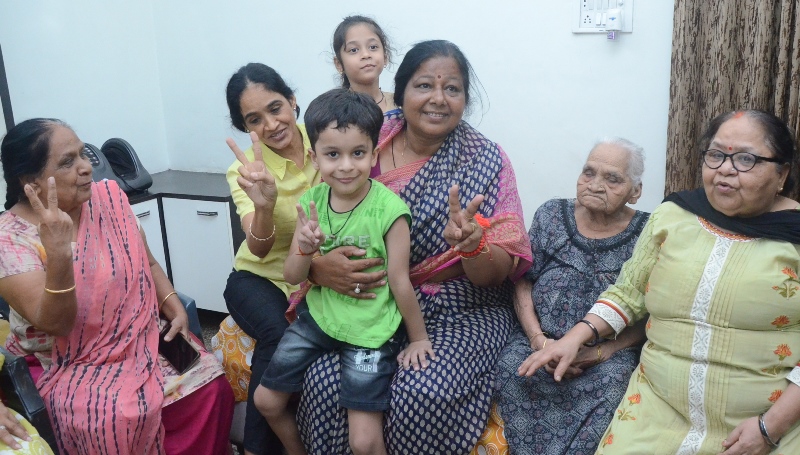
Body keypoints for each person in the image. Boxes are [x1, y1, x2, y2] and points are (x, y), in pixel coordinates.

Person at [297, 40, 533, 454]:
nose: (438, 99)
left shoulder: (485, 160)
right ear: (401, 92)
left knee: (421, 390)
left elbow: (496, 273)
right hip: (365, 300)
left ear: (465, 99)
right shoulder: (365, 139)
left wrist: (473, 246)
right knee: (323, 381)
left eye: (452, 89)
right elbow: (320, 223)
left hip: (461, 304)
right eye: (424, 85)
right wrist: (318, 268)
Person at [522, 109, 800, 455]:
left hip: (763, 424)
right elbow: (628, 292)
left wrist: (769, 429)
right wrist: (573, 338)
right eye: (716, 155)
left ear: (781, 173)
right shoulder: (674, 215)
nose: (725, 169)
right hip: (656, 410)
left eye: (746, 159)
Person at [0, 118, 233, 454]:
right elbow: (57, 324)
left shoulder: (106, 199)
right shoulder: (10, 239)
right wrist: (59, 253)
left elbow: (147, 262)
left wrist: (172, 302)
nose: (85, 167)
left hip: (137, 336)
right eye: (67, 162)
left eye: (83, 154)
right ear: (30, 181)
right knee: (118, 420)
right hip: (65, 360)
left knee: (212, 386)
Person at [255, 88, 434, 455]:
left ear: (374, 154)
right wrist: (305, 249)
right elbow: (292, 276)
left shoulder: (390, 210)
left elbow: (400, 280)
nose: (346, 166)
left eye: (358, 153)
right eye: (333, 154)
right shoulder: (311, 203)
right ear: (315, 157)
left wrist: (418, 338)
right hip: (319, 319)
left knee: (363, 441)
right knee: (265, 401)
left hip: (371, 329)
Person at [488, 138, 649, 455]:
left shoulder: (648, 231)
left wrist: (600, 352)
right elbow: (523, 282)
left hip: (607, 352)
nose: (596, 185)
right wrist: (539, 341)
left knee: (615, 382)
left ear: (635, 191)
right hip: (539, 338)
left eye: (612, 179)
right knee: (514, 368)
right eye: (589, 172)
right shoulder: (551, 214)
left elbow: (651, 311)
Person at [222, 63, 321, 455]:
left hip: (312, 273)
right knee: (280, 334)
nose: (271, 124)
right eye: (254, 120)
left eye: (275, 108)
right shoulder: (244, 170)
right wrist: (264, 205)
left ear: (293, 101)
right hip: (258, 277)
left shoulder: (325, 139)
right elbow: (258, 247)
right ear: (245, 127)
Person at [332, 15, 397, 112]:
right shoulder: (334, 111)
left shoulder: (401, 105)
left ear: (385, 57)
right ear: (339, 64)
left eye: (373, 47)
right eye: (354, 50)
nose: (366, 55)